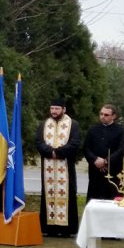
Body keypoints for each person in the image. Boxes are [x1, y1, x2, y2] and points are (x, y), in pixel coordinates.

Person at [36, 98, 82, 237]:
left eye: (57, 109)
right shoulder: (44, 124)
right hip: (49, 169)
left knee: (68, 194)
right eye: (52, 109)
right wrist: (50, 152)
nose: (54, 111)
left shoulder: (72, 125)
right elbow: (39, 142)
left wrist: (59, 152)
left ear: (64, 109)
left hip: (65, 167)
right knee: (48, 194)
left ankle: (67, 229)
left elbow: (75, 143)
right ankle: (49, 228)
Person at [83, 103, 124, 201]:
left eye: (106, 115)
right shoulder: (93, 129)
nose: (103, 116)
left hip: (114, 172)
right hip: (96, 171)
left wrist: (106, 161)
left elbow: (121, 149)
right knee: (95, 199)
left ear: (114, 116)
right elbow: (86, 148)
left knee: (113, 199)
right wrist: (95, 159)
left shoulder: (120, 130)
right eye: (101, 114)